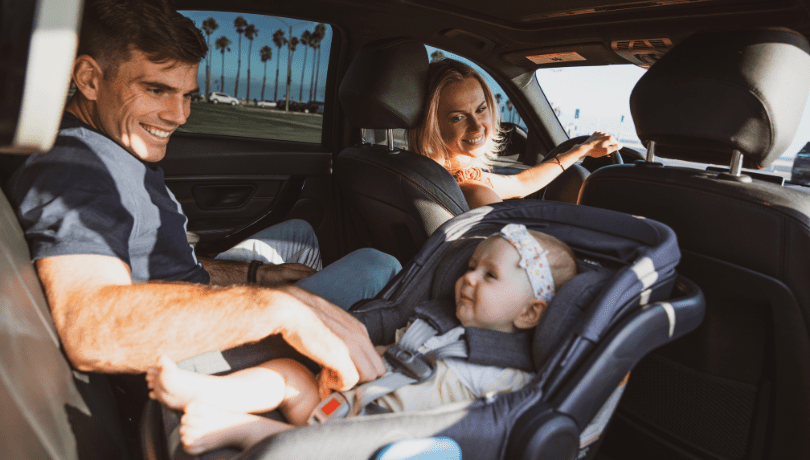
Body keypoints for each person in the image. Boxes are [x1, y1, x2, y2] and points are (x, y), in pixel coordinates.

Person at [5, 0, 397, 396]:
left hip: (176, 297)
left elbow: (148, 264)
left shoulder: (107, 144)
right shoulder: (75, 169)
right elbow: (90, 329)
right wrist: (281, 309)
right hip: (176, 363)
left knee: (300, 233)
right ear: (89, 79)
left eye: (187, 95)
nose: (178, 115)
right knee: (375, 266)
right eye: (156, 90)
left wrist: (256, 277)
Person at [146, 223, 578, 455]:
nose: (468, 278)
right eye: (470, 267)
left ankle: (247, 431)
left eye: (490, 275)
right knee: (290, 374)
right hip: (342, 404)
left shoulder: (507, 377)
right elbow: (391, 354)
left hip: (372, 443)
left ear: (529, 313)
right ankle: (202, 389)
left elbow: (491, 432)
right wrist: (345, 369)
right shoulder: (435, 324)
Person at [408, 59, 623, 209]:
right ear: (432, 124)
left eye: (481, 109)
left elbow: (521, 183)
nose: (477, 126)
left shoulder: (432, 174)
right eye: (458, 117)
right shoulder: (475, 192)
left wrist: (581, 150)